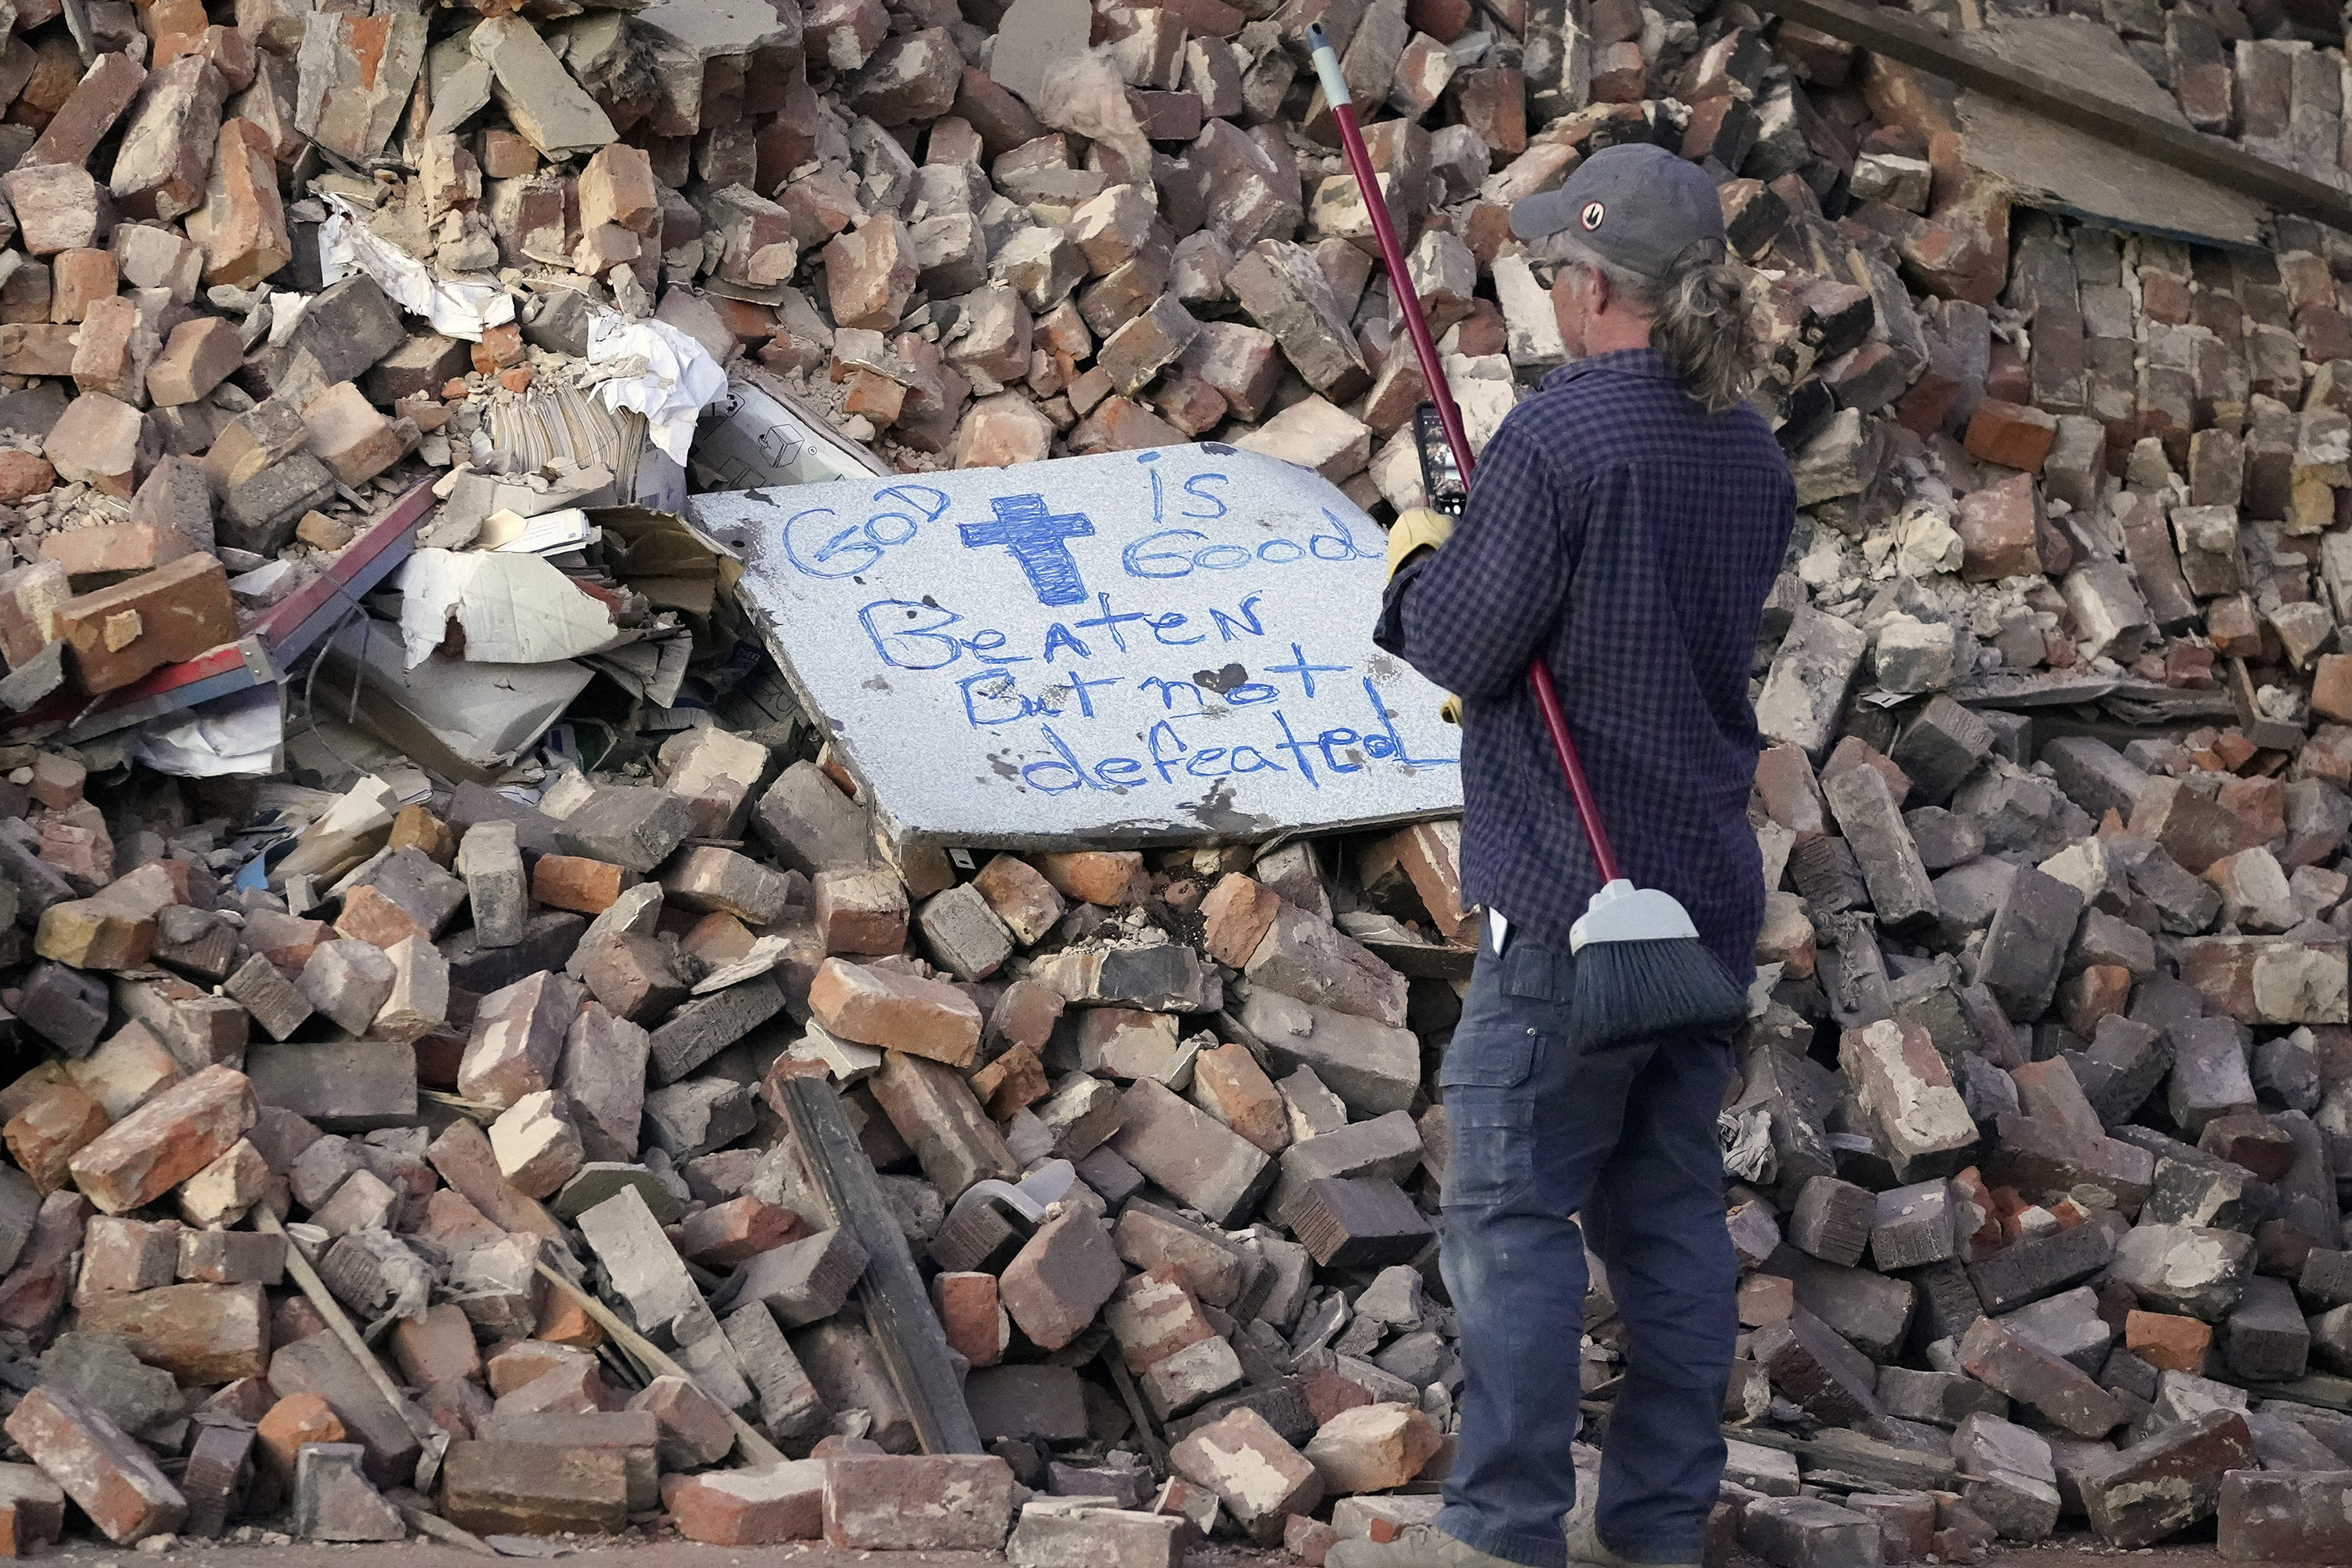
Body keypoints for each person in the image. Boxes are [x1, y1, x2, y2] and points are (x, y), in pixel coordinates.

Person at [1336, 143, 1797, 1568]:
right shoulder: (1752, 449)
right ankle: (1654, 1529)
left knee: (1510, 1214)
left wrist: (1418, 561)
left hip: (1563, 898)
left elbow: (1467, 646)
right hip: (1700, 900)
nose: (1548, 295)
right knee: (1666, 1220)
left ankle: (1503, 1534)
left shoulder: (1557, 440)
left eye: (1551, 273)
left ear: (1594, 283)